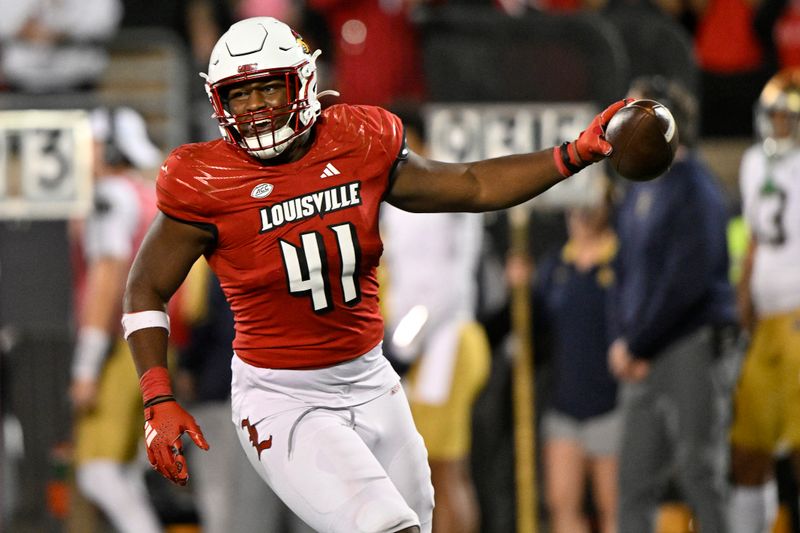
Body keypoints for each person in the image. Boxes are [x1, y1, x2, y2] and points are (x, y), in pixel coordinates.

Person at [121, 16, 631, 533]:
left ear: (302, 81)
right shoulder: (206, 179)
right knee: (387, 528)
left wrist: (573, 154)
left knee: (415, 522)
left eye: (269, 87)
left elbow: (472, 185)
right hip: (283, 396)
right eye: (240, 95)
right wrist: (157, 394)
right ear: (218, 101)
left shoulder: (356, 140)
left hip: (372, 379)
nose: (255, 108)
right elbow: (146, 287)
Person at [607, 75, 736, 533]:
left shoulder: (695, 187)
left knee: (701, 473)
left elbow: (688, 282)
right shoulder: (640, 184)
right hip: (644, 351)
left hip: (689, 346)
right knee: (634, 482)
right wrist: (622, 338)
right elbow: (622, 271)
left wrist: (636, 343)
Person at [380, 109, 490, 533]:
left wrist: (406, 344)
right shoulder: (401, 199)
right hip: (422, 342)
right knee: (419, 472)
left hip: (443, 341)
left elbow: (443, 287)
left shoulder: (440, 191)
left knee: (441, 471)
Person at [69, 106, 163, 533]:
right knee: (125, 471)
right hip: (155, 343)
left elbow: (108, 280)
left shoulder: (111, 196)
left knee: (97, 472)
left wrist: (86, 364)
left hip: (122, 347)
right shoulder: (145, 192)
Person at [176, 264, 315, 533]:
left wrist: (190, 365)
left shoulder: (233, 250)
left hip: (249, 389)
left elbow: (211, 320)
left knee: (246, 506)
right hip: (307, 385)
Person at [728, 67, 800, 533]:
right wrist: (743, 302)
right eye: (774, 116)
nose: (779, 125)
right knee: (748, 451)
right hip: (765, 320)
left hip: (797, 317)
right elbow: (754, 238)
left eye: (787, 117)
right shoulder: (754, 162)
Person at [528, 197, 619, 533]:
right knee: (562, 507)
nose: (582, 211)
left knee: (616, 509)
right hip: (564, 407)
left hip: (613, 406)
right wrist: (520, 288)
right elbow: (534, 334)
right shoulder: (554, 268)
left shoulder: (623, 261)